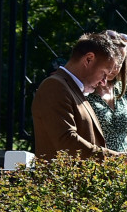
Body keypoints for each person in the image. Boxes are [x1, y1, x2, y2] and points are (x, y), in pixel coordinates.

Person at [31, 31, 120, 160]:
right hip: (61, 179)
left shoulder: (74, 90)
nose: (104, 82)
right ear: (89, 59)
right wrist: (117, 158)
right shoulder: (55, 86)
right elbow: (67, 143)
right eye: (104, 73)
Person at [85, 31, 127, 153]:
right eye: (113, 61)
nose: (116, 67)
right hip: (96, 163)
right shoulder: (85, 90)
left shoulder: (123, 88)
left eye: (121, 61)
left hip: (124, 165)